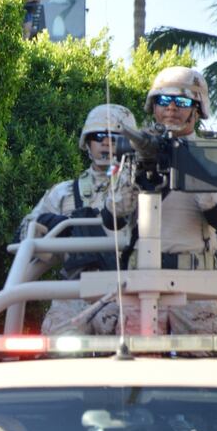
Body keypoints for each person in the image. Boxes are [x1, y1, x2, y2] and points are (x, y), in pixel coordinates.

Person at [93, 66, 217, 335]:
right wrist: (137, 172)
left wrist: (189, 163)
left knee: (201, 368)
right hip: (141, 282)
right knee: (136, 369)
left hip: (196, 285)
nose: (171, 108)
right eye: (163, 101)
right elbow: (112, 218)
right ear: (153, 107)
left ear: (197, 110)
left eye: (182, 101)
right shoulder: (134, 154)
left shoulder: (212, 156)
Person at [17, 104, 136, 334]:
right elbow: (26, 231)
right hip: (75, 289)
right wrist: (49, 224)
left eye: (114, 137)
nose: (106, 142)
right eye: (99, 136)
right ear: (87, 143)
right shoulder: (64, 192)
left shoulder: (145, 188)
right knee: (57, 341)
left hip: (129, 288)